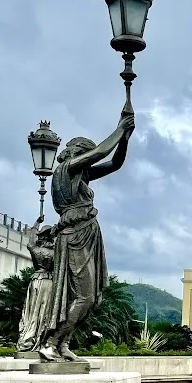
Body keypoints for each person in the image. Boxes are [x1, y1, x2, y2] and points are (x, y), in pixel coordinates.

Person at [39, 110, 135, 362]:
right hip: (74, 236)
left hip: (86, 234)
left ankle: (62, 344)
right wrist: (119, 128)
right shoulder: (66, 168)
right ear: (77, 153)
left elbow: (115, 163)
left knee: (87, 298)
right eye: (86, 155)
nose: (88, 162)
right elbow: (102, 152)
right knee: (85, 295)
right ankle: (51, 341)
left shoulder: (81, 175)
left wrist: (125, 137)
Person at [17, 214, 55, 353]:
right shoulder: (55, 252)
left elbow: (30, 239)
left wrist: (37, 222)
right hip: (48, 283)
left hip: (35, 282)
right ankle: (41, 340)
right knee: (44, 312)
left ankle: (28, 339)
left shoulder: (35, 249)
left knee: (32, 311)